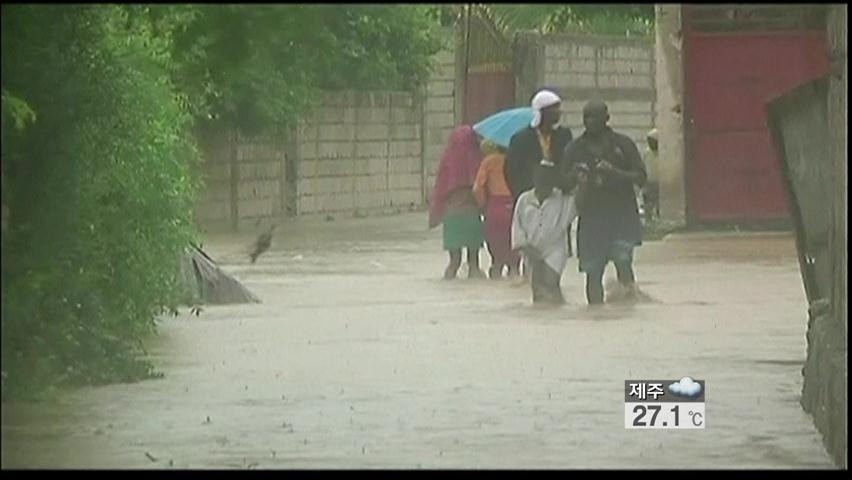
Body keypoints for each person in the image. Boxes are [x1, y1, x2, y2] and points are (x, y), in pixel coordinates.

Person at [563, 100, 647, 305]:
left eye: (595, 117)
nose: (590, 122)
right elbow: (562, 185)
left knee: (623, 264)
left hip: (622, 216)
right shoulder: (574, 148)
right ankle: (595, 314)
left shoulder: (623, 145)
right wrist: (575, 175)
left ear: (607, 118)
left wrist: (615, 172)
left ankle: (628, 310)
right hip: (592, 219)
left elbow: (641, 176)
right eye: (586, 117)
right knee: (593, 273)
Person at [504, 89, 575, 272]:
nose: (558, 113)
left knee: (556, 255)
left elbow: (569, 166)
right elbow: (511, 171)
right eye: (553, 109)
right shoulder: (520, 140)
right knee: (531, 254)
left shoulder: (564, 136)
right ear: (541, 112)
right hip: (532, 203)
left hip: (556, 201)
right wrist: (526, 195)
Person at [511, 160, 578, 305]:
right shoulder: (524, 199)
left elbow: (577, 204)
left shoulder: (562, 199)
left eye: (547, 180)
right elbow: (518, 227)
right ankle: (550, 314)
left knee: (550, 282)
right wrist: (526, 249)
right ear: (535, 179)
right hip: (530, 248)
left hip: (555, 248)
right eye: (541, 179)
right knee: (538, 289)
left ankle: (555, 313)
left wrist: (581, 180)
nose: (543, 184)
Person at [429, 125, 486, 280]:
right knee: (474, 264)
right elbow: (480, 187)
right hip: (472, 215)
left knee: (454, 262)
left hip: (452, 216)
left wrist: (435, 214)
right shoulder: (476, 157)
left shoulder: (447, 159)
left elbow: (440, 189)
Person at [473, 140, 521, 279]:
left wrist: (483, 205)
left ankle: (496, 268)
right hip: (514, 207)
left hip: (495, 207)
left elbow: (477, 188)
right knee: (514, 258)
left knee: (496, 257)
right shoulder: (517, 160)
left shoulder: (489, 161)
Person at [642, 128, 660, 221]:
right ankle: (648, 219)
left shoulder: (663, 153)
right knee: (647, 202)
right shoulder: (647, 152)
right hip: (648, 181)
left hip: (659, 182)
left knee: (658, 203)